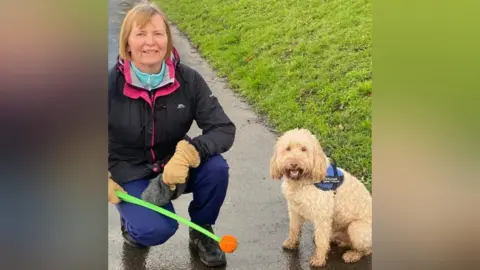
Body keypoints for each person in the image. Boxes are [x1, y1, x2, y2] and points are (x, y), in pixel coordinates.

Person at [107, 2, 236, 267]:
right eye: (140, 34)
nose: (150, 42)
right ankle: (132, 225)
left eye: (157, 33)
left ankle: (202, 230)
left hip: (173, 166)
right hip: (129, 171)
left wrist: (190, 152)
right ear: (127, 43)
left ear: (167, 40)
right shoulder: (108, 85)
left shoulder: (189, 80)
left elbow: (223, 129)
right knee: (155, 230)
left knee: (216, 169)